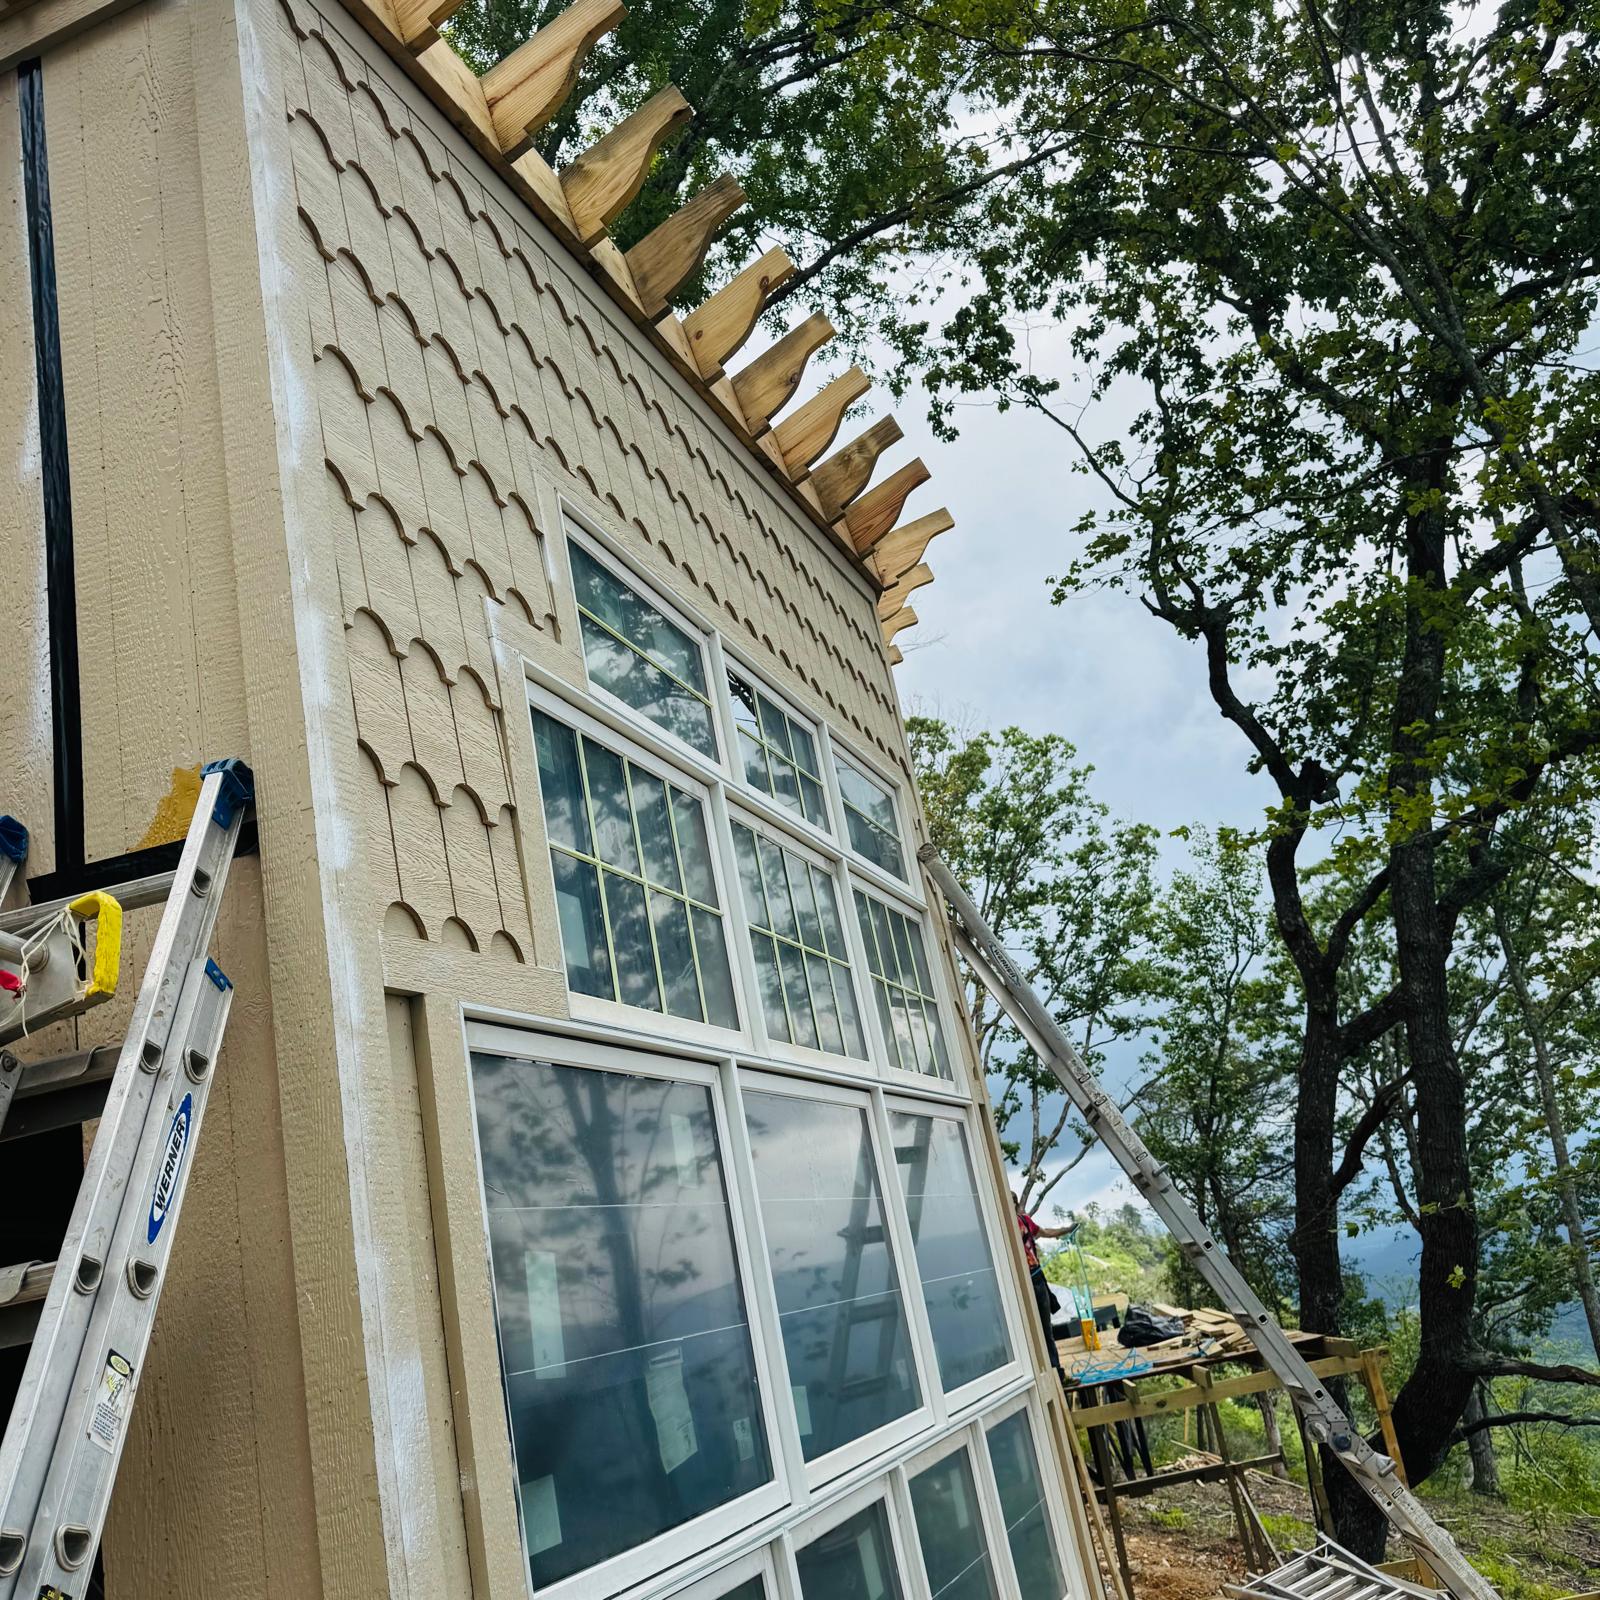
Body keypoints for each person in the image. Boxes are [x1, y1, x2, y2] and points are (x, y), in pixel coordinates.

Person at [1012, 1191, 1073, 1374]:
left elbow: (1045, 1232)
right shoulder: (1002, 1226)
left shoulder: (1023, 1221)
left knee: (1045, 1329)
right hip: (1019, 1282)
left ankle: (1056, 1373)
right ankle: (1043, 1372)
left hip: (1035, 1277)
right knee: (1030, 1331)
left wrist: (1065, 1230)